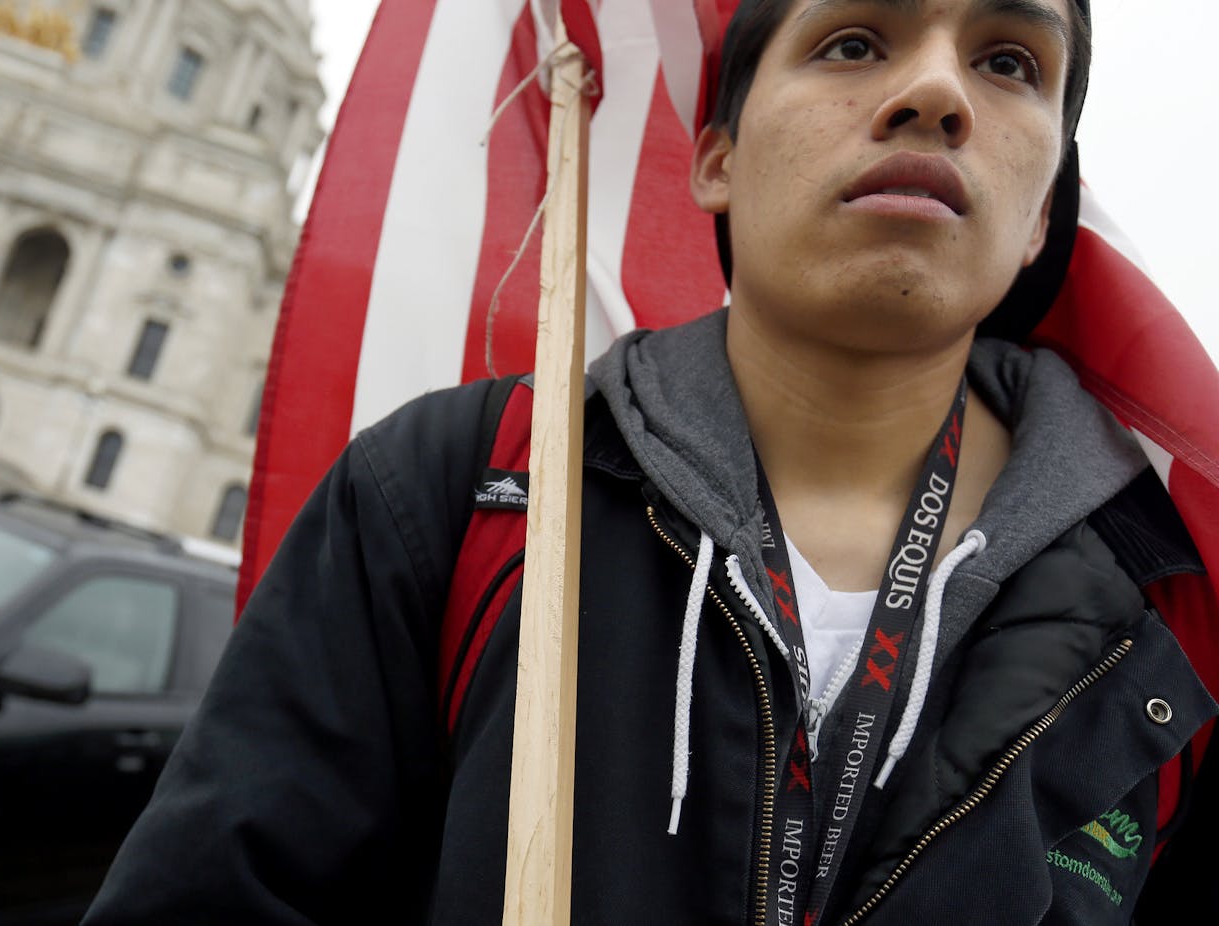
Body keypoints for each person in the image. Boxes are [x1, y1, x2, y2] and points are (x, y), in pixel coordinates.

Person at [83, 0, 1218, 922]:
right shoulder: (449, 489)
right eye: (855, 42)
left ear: (1039, 221)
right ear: (714, 161)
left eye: (1011, 60)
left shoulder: (1175, 603)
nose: (937, 92)